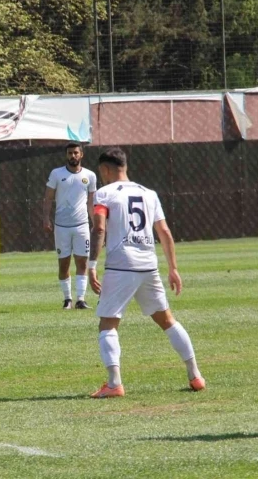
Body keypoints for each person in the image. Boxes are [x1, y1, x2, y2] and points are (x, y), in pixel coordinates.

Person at [87, 147, 205, 397]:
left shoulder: (104, 194)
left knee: (108, 324)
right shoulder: (149, 193)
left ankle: (114, 383)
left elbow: (99, 229)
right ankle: (195, 375)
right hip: (149, 266)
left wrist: (91, 265)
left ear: (105, 169)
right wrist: (173, 268)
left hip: (121, 265)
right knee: (168, 321)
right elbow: (165, 232)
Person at [43, 142, 97, 310]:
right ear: (66, 155)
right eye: (70, 153)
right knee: (64, 263)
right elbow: (48, 198)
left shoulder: (90, 176)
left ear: (81, 155)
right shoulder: (56, 174)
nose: (73, 156)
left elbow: (91, 203)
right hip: (62, 226)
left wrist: (96, 224)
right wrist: (46, 218)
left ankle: (81, 300)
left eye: (75, 153)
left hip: (82, 225)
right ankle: (67, 299)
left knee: (82, 262)